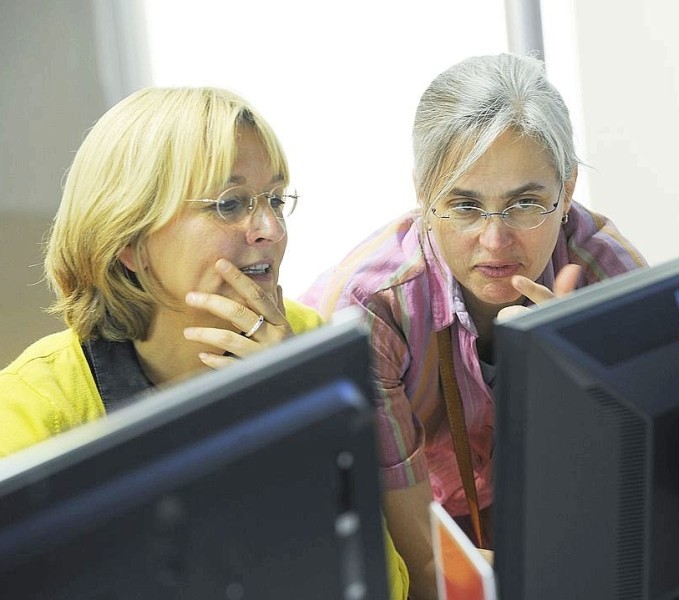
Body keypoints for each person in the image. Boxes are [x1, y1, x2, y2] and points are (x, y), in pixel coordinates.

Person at [0, 87, 408, 599]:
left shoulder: (305, 342)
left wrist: (292, 425)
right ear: (129, 241)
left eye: (276, 200)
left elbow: (384, 586)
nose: (271, 229)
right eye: (230, 203)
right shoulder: (31, 410)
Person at [300, 53, 648, 599]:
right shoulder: (369, 305)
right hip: (403, 515)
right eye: (464, 206)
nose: (495, 241)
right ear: (424, 195)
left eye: (526, 203)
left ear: (569, 187)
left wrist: (565, 367)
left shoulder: (603, 270)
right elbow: (422, 568)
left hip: (510, 504)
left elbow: (634, 479)